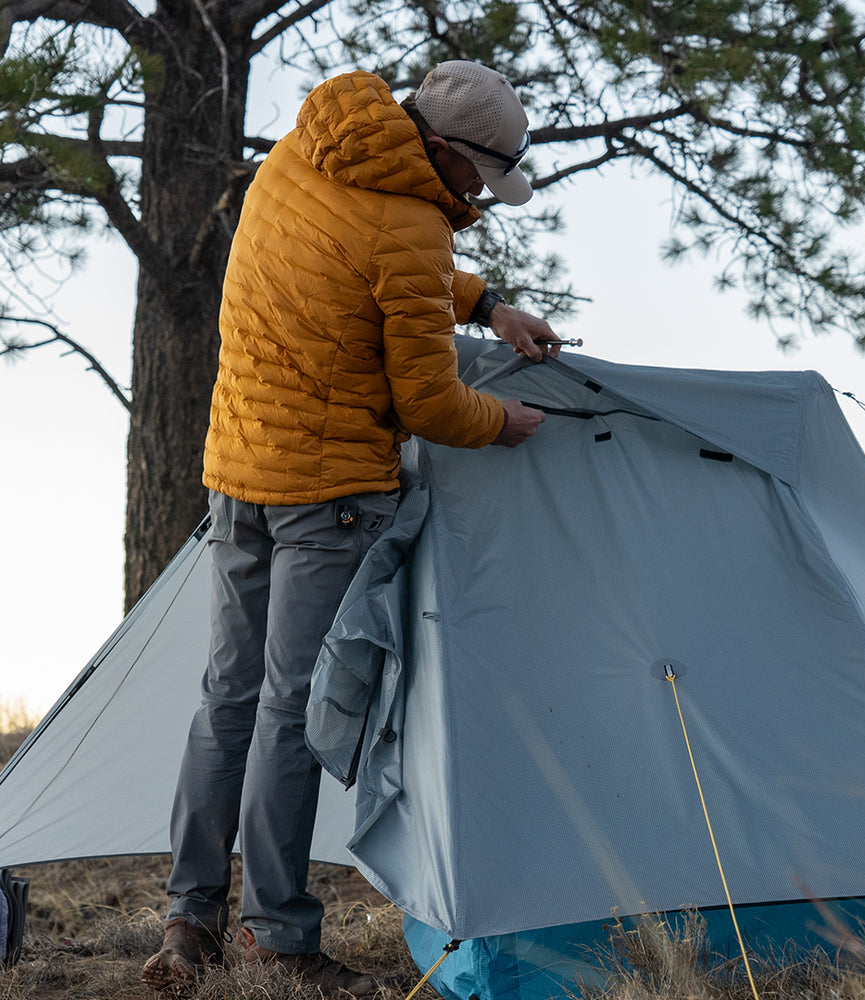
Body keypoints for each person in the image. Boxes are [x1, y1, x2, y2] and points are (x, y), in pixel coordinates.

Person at [141, 60, 557, 995]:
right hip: (327, 495)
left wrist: (486, 305)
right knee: (293, 710)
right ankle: (279, 937)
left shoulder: (300, 154)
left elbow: (362, 257)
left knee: (228, 697)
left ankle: (189, 920)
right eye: (477, 180)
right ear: (443, 150)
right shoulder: (412, 223)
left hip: (238, 475)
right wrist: (503, 424)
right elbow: (430, 401)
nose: (475, 198)